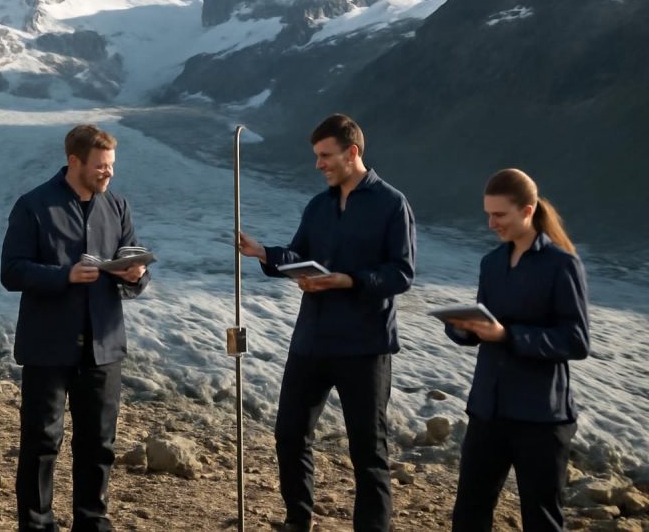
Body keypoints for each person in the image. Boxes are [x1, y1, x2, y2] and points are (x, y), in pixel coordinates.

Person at [239, 113, 416, 532]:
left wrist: (348, 280)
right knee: (289, 435)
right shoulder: (318, 206)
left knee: (368, 450)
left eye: (325, 155)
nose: (318, 164)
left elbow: (401, 274)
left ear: (351, 152)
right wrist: (264, 252)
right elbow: (299, 256)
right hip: (311, 340)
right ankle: (298, 521)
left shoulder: (393, 204)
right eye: (316, 156)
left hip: (364, 345)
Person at [1, 124, 151, 532]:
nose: (109, 174)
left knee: (99, 444)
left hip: (103, 347)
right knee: (41, 443)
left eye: (111, 166)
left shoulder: (116, 206)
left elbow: (134, 268)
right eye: (101, 166)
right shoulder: (33, 205)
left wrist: (134, 275)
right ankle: (36, 525)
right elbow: (11, 272)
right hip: (48, 346)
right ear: (74, 162)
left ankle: (92, 522)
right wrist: (65, 276)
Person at [446, 169, 590, 532]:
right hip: (488, 408)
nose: (492, 223)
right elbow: (486, 325)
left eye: (500, 215)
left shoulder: (562, 265)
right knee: (468, 514)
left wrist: (508, 335)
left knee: (541, 520)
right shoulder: (491, 262)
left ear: (527, 211)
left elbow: (576, 340)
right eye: (488, 215)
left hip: (541, 415)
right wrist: (462, 329)